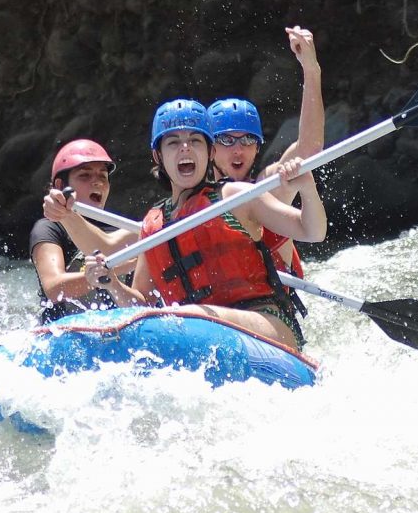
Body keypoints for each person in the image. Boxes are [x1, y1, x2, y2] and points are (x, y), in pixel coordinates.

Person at [84, 99, 327, 352]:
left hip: (267, 328)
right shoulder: (153, 226)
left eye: (195, 141)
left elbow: (314, 232)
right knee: (174, 320)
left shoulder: (236, 196)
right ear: (159, 155)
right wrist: (111, 283)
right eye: (173, 142)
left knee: (188, 316)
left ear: (210, 153)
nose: (185, 148)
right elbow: (141, 307)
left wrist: (307, 188)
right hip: (195, 334)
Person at [207, 25, 324, 279]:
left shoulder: (267, 188)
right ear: (209, 149)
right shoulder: (192, 204)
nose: (238, 149)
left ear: (258, 146)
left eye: (248, 140)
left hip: (273, 308)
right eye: (227, 140)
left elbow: (310, 147)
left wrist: (311, 70)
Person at [30, 139, 135, 324]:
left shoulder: (123, 230)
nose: (97, 183)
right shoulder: (48, 228)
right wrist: (115, 268)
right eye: (85, 176)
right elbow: (54, 289)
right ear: (61, 186)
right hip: (63, 331)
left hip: (119, 327)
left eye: (103, 176)